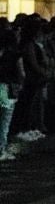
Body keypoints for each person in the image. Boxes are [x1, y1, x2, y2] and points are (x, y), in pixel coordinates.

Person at [0, 22, 22, 161]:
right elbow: (21, 73)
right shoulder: (15, 55)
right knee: (4, 121)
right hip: (7, 88)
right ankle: (1, 148)